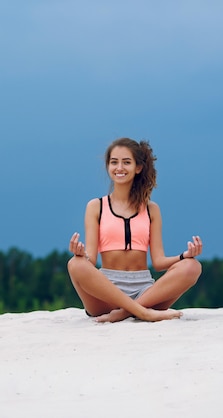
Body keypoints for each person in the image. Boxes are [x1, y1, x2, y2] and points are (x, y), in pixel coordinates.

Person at [67, 137, 202, 323]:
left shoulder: (151, 209)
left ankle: (124, 313)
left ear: (138, 167)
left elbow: (159, 262)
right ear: (108, 166)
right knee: (75, 263)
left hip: (145, 290)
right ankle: (143, 312)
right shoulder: (96, 206)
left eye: (126, 162)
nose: (119, 168)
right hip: (106, 292)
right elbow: (90, 258)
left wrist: (184, 256)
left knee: (192, 266)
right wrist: (81, 253)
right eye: (114, 162)